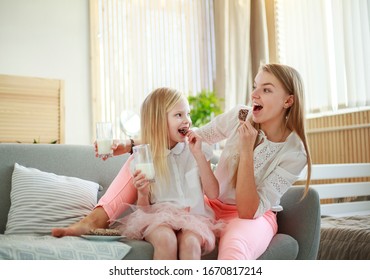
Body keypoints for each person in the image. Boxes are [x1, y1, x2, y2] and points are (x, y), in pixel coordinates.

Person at [53, 63, 311, 260]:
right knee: (141, 158)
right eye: (255, 86)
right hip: (211, 204)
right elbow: (191, 136)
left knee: (234, 249)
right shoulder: (241, 115)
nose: (254, 94)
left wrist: (246, 150)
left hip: (249, 215)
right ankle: (94, 220)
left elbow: (247, 209)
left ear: (288, 101)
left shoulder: (295, 153)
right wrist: (130, 145)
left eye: (266, 89)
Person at [55, 87, 222, 260]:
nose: (187, 120)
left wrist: (199, 156)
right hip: (158, 218)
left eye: (187, 114)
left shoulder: (197, 149)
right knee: (166, 240)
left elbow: (213, 193)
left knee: (191, 244)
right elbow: (144, 209)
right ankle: (90, 222)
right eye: (179, 115)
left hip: (193, 218)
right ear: (158, 121)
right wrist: (142, 192)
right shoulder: (144, 159)